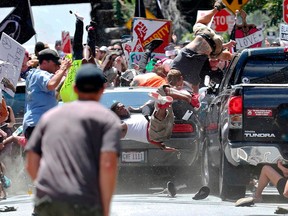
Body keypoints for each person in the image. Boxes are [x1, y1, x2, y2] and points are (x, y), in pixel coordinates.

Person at [25, 63, 121, 216]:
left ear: (75, 88)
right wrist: (105, 208)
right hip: (84, 202)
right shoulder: (107, 120)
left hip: (48, 203)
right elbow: (108, 164)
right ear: (102, 90)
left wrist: (48, 190)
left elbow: (31, 162)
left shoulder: (49, 117)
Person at [171, 0, 236, 93]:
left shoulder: (189, 76)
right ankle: (216, 9)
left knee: (217, 55)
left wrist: (195, 101)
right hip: (205, 34)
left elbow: (195, 87)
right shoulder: (175, 62)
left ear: (180, 78)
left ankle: (238, 56)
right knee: (198, 23)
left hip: (215, 45)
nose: (180, 86)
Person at [23, 48, 72, 140]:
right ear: (45, 63)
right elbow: (51, 84)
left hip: (35, 124)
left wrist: (64, 76)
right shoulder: (41, 74)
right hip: (39, 124)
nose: (57, 67)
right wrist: (63, 68)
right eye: (56, 64)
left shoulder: (34, 74)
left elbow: (55, 94)